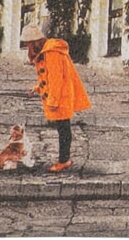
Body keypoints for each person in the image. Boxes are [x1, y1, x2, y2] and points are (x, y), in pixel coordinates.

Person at [20, 22, 91, 171]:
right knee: (63, 128)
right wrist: (37, 88)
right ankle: (64, 159)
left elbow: (56, 78)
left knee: (63, 129)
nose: (27, 47)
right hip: (61, 94)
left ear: (34, 42)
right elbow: (49, 77)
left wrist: (53, 100)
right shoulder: (48, 50)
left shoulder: (51, 53)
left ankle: (64, 160)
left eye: (28, 43)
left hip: (61, 95)